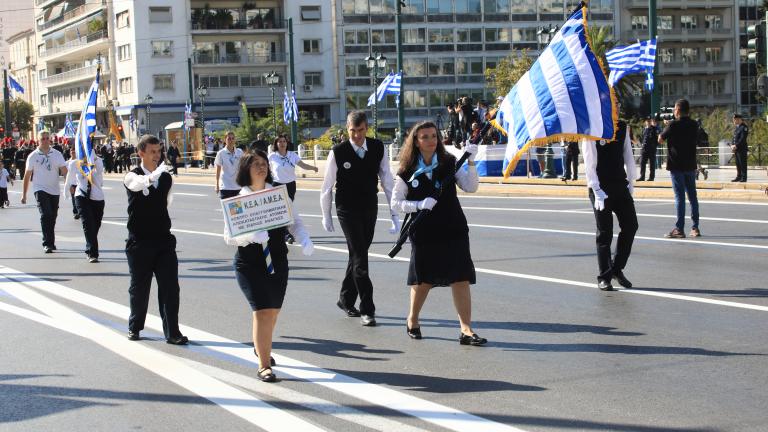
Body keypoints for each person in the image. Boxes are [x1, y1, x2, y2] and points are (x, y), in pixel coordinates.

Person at [391, 121, 486, 345]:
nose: (431, 140)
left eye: (434, 136)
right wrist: (419, 205)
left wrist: (471, 161)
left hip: (453, 227)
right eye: (425, 137)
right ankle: (412, 319)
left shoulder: (449, 162)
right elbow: (396, 203)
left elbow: (470, 187)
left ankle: (466, 330)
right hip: (424, 231)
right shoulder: (406, 170)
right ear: (415, 141)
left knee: (460, 278)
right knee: (423, 281)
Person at [224, 151, 314, 382]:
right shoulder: (239, 200)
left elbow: (295, 222)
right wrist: (251, 236)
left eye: (264, 164)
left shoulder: (278, 194)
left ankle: (259, 344)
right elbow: (229, 237)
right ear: (246, 169)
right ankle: (264, 365)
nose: (261, 168)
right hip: (250, 263)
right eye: (256, 164)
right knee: (262, 311)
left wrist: (304, 238)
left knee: (273, 312)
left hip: (277, 260)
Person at [320, 110, 400, 327]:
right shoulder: (338, 152)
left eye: (361, 130)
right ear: (347, 129)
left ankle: (345, 299)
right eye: (352, 131)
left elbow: (387, 180)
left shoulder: (377, 148)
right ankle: (367, 308)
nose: (356, 135)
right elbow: (327, 187)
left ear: (367, 128)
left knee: (357, 254)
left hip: (369, 206)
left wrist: (394, 213)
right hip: (346, 208)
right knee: (361, 259)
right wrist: (326, 215)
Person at [123, 134, 188, 345]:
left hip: (163, 241)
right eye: (152, 152)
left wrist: (159, 176)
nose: (157, 155)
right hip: (139, 242)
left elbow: (166, 202)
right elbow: (138, 185)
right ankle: (135, 327)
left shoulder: (166, 177)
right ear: (140, 153)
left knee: (170, 287)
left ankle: (173, 332)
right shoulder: (132, 176)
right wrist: (152, 177)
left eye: (159, 151)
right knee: (139, 288)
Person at [583, 120, 639, 291]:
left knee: (631, 226)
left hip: (619, 184)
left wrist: (631, 180)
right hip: (600, 186)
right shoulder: (591, 126)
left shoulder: (622, 127)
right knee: (605, 232)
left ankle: (617, 268)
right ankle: (604, 276)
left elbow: (628, 155)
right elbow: (589, 159)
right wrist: (595, 187)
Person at [658, 99, 701, 239]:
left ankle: (679, 228)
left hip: (676, 166)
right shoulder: (694, 124)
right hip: (690, 165)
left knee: (680, 197)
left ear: (677, 110)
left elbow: (660, 139)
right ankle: (695, 228)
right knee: (693, 197)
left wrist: (667, 126)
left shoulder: (672, 125)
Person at [21, 131, 68, 253]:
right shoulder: (33, 156)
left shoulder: (57, 154)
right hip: (40, 189)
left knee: (52, 216)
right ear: (38, 140)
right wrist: (24, 194)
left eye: (47, 138)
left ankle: (51, 241)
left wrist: (71, 185)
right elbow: (27, 176)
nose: (45, 140)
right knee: (46, 214)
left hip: (54, 190)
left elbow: (64, 171)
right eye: (43, 139)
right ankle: (47, 243)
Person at [74, 150, 105, 263]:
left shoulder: (98, 161)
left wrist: (92, 159)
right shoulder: (77, 163)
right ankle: (92, 253)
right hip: (82, 196)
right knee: (88, 225)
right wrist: (67, 188)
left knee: (95, 226)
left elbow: (97, 171)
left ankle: (90, 246)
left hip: (97, 197)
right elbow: (83, 175)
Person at [268, 134, 318, 201]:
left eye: (284, 141)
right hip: (277, 185)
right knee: (278, 208)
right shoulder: (272, 156)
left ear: (286, 143)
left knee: (289, 206)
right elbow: (265, 168)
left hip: (290, 185)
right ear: (276, 144)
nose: (282, 143)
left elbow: (303, 165)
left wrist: (313, 168)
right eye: (280, 141)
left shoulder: (293, 155)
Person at [215, 131, 245, 199]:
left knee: (238, 209)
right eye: (229, 138)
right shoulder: (221, 153)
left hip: (237, 186)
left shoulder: (240, 152)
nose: (231, 140)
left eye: (233, 138)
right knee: (227, 209)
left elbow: (243, 167)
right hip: (225, 187)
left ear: (235, 139)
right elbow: (218, 170)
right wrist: (217, 185)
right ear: (225, 140)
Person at [637, 117, 658, 181]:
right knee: (642, 162)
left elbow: (657, 137)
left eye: (649, 121)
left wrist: (654, 146)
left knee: (652, 163)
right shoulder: (644, 129)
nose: (648, 122)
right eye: (647, 121)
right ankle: (642, 176)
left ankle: (651, 177)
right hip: (644, 149)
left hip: (651, 149)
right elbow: (642, 138)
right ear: (645, 122)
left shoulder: (653, 129)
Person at [731, 113, 749, 183]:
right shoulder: (737, 127)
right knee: (738, 164)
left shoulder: (744, 127)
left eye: (734, 120)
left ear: (739, 119)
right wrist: (732, 145)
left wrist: (736, 145)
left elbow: (742, 138)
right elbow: (734, 138)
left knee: (742, 164)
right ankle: (739, 176)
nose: (734, 121)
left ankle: (744, 177)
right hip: (736, 149)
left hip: (742, 149)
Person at [65, 147, 81, 219]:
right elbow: (66, 174)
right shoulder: (67, 163)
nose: (73, 153)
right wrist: (68, 184)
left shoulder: (80, 161)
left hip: (80, 183)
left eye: (74, 152)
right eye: (71, 151)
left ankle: (81, 211)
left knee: (80, 198)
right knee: (73, 198)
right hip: (72, 183)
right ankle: (76, 212)